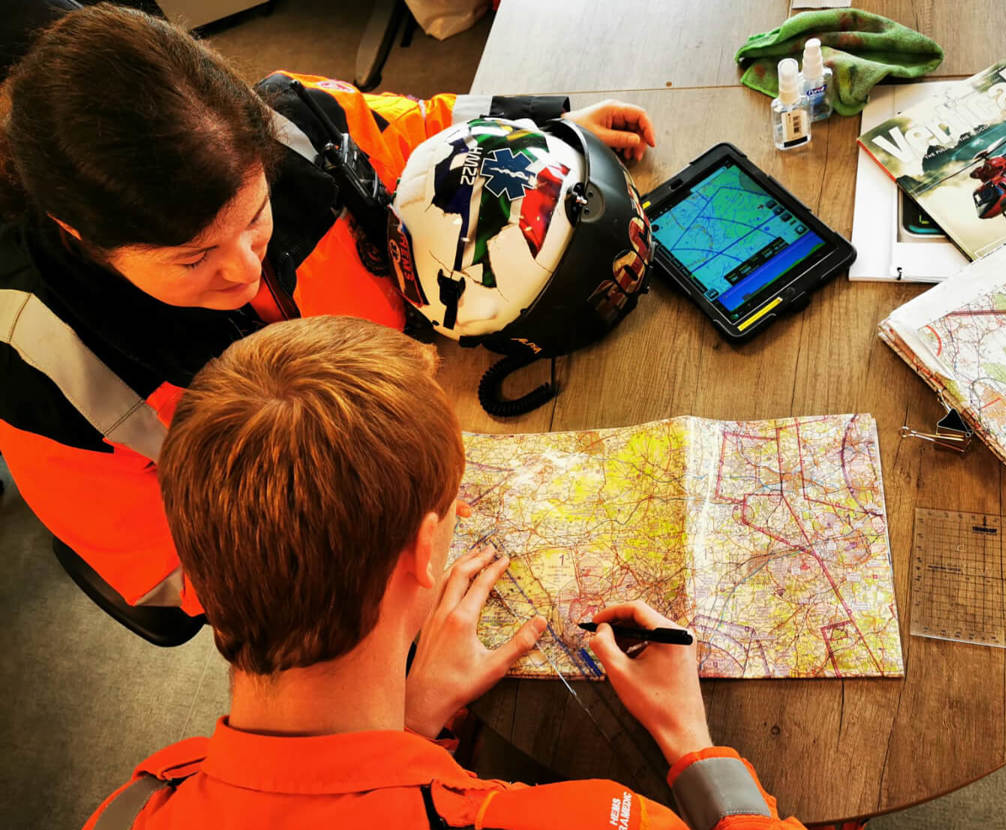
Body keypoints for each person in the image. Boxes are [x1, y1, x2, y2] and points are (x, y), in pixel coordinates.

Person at [0, 3, 655, 615]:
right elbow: (169, 569)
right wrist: (354, 570)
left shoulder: (296, 119)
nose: (244, 268)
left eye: (257, 217)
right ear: (82, 237)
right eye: (192, 258)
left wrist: (543, 130)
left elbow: (418, 131)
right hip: (329, 570)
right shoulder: (39, 362)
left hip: (437, 407)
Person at [84, 315, 805, 830]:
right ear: (427, 553)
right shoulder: (584, 818)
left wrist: (410, 726)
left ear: (198, 586)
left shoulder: (134, 802)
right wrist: (693, 745)